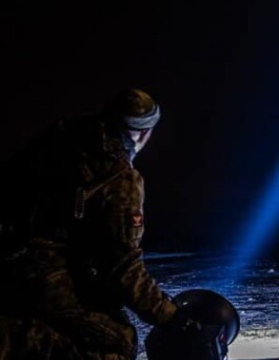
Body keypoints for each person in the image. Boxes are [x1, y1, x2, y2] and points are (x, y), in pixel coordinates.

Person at [0, 88, 183, 360]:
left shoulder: (61, 138)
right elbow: (124, 269)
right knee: (116, 342)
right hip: (39, 274)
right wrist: (169, 315)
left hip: (12, 259)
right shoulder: (119, 177)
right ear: (144, 133)